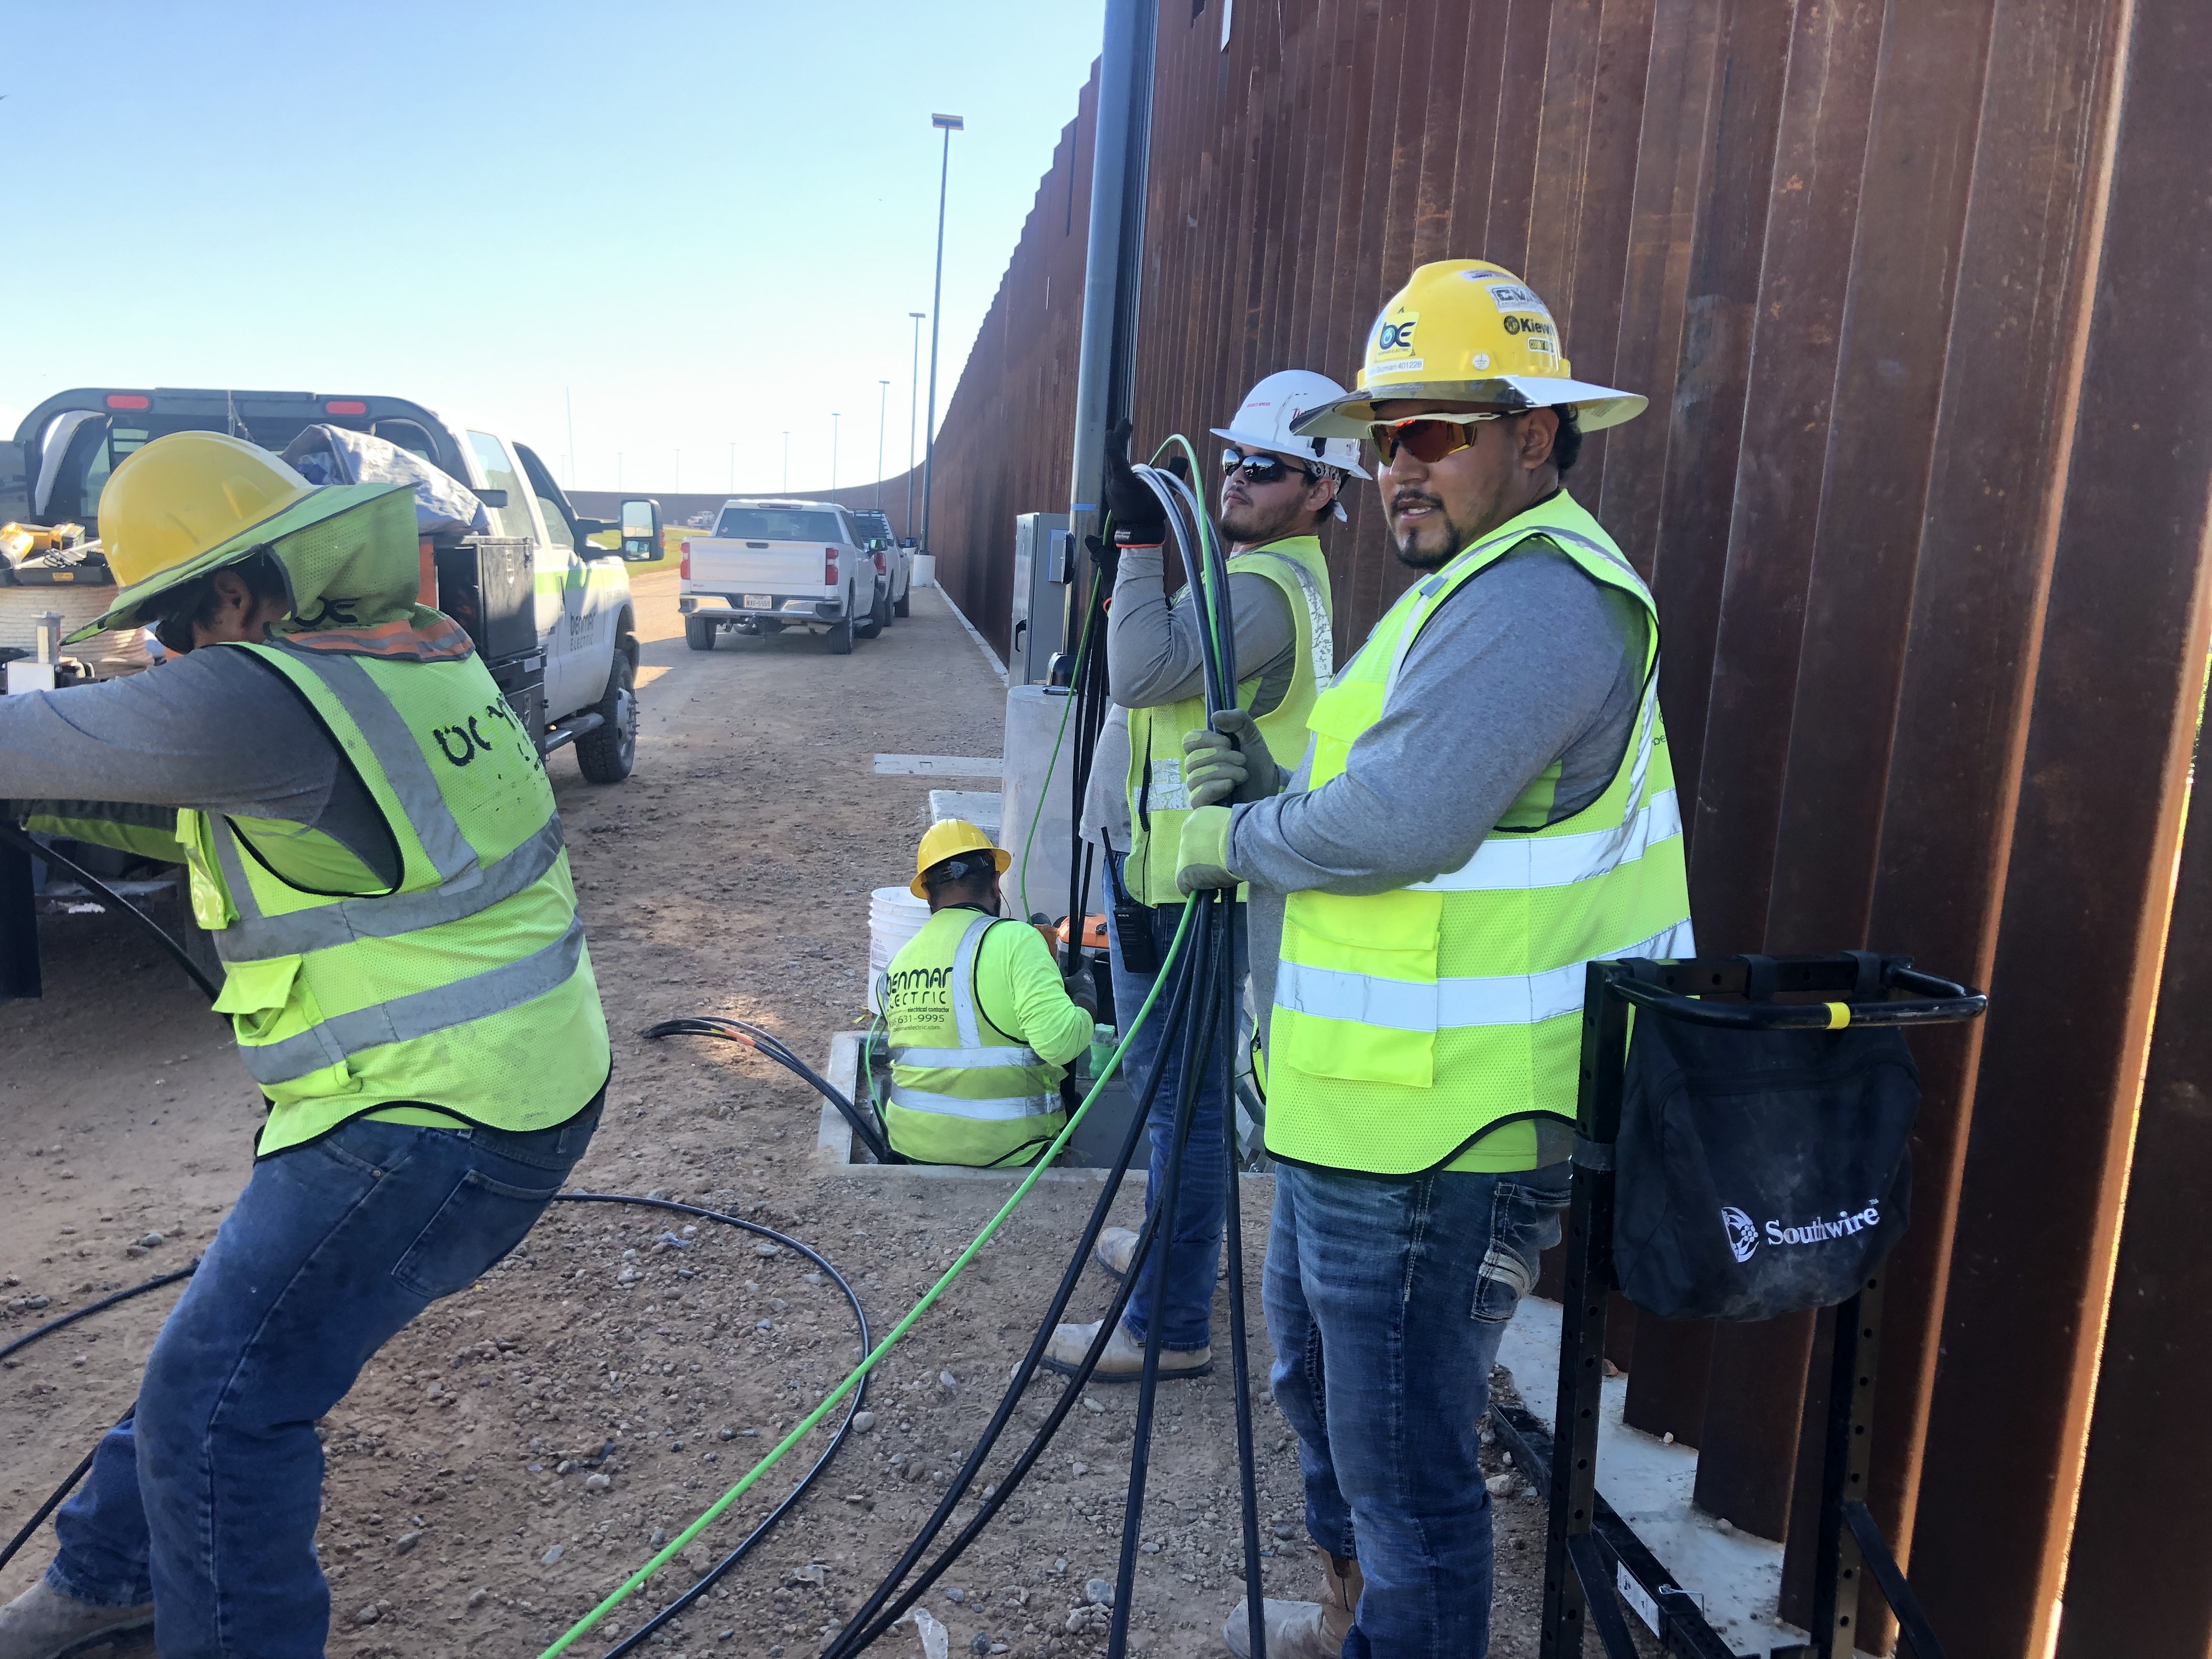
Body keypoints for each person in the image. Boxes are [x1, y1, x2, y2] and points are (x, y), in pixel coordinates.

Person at [0, 432, 610, 1659]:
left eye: (171, 627)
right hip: (517, 1082)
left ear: (232, 592)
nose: (165, 656)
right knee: (215, 1356)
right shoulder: (415, 660)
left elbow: (43, 743)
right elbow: (237, 823)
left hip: (428, 1122)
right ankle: (107, 1577)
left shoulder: (254, 693)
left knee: (223, 1406)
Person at [1175, 262, 1695, 1657]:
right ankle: (1349, 1624)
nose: (1396, 469)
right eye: (1382, 437)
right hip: (1367, 1112)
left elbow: (1401, 822)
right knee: (1326, 1407)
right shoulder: (1460, 591)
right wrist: (1282, 780)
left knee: (1409, 1484)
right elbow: (1416, 791)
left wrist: (1241, 834)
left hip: (1450, 1131)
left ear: (1534, 434)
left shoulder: (1544, 599)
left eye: (1431, 433)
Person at [1052, 372, 1363, 1383]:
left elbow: (1142, 672)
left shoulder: (1267, 591)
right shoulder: (1249, 576)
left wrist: (1142, 547)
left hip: (1196, 892)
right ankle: (1161, 1246)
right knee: (1161, 1093)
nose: (1234, 476)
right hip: (1165, 872)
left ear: (1320, 487)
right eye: (1232, 458)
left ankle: (1169, 1319)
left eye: (1263, 466)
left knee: (1180, 1107)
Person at [878, 819, 1098, 1166]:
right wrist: (1086, 998)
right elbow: (1061, 1043)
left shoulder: (898, 964)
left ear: (928, 893)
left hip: (912, 1147)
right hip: (1009, 1151)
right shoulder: (1016, 940)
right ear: (996, 883)